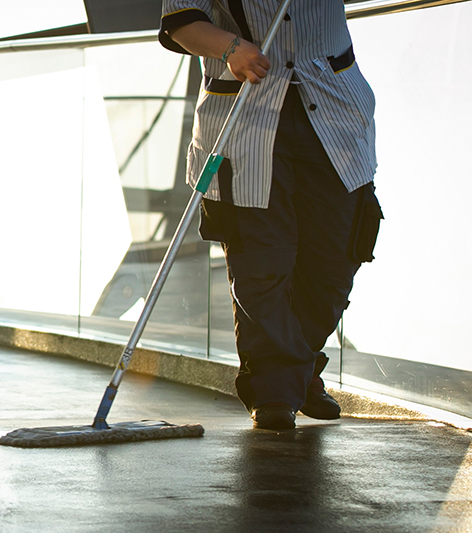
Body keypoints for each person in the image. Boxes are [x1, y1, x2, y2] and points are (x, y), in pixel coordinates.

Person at [158, 0, 383, 429]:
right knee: (261, 261)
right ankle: (276, 392)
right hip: (247, 115)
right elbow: (180, 21)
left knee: (335, 258)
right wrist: (231, 47)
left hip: (337, 112)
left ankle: (297, 370)